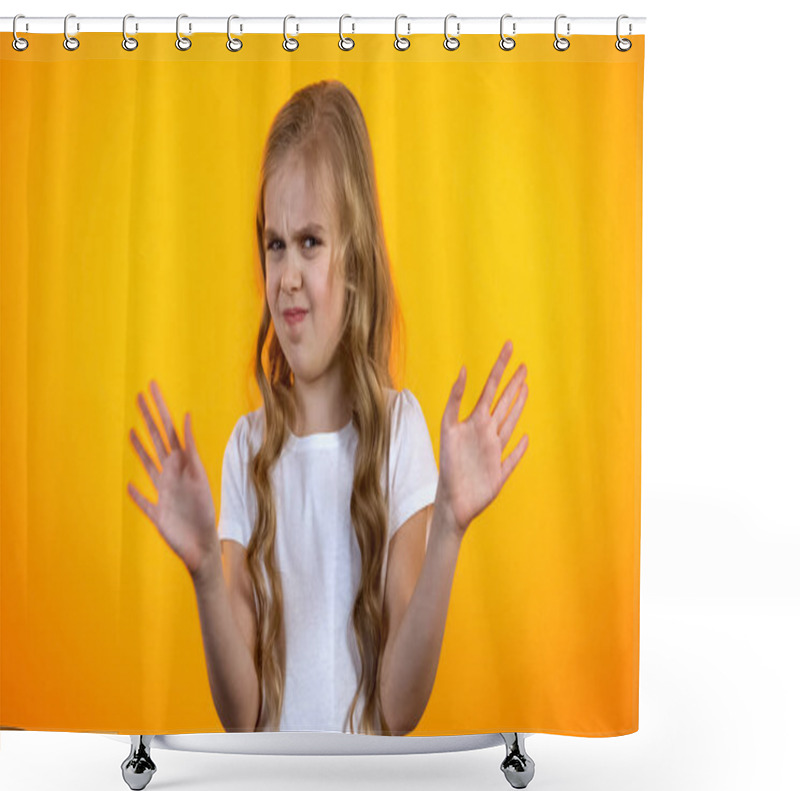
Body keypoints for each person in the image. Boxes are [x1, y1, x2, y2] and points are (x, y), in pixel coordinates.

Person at [127, 79, 529, 736]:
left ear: (355, 259)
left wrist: (448, 535)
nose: (286, 274)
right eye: (275, 243)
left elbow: (399, 710)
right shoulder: (245, 448)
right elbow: (242, 714)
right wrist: (204, 570)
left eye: (311, 242)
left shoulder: (401, 434)